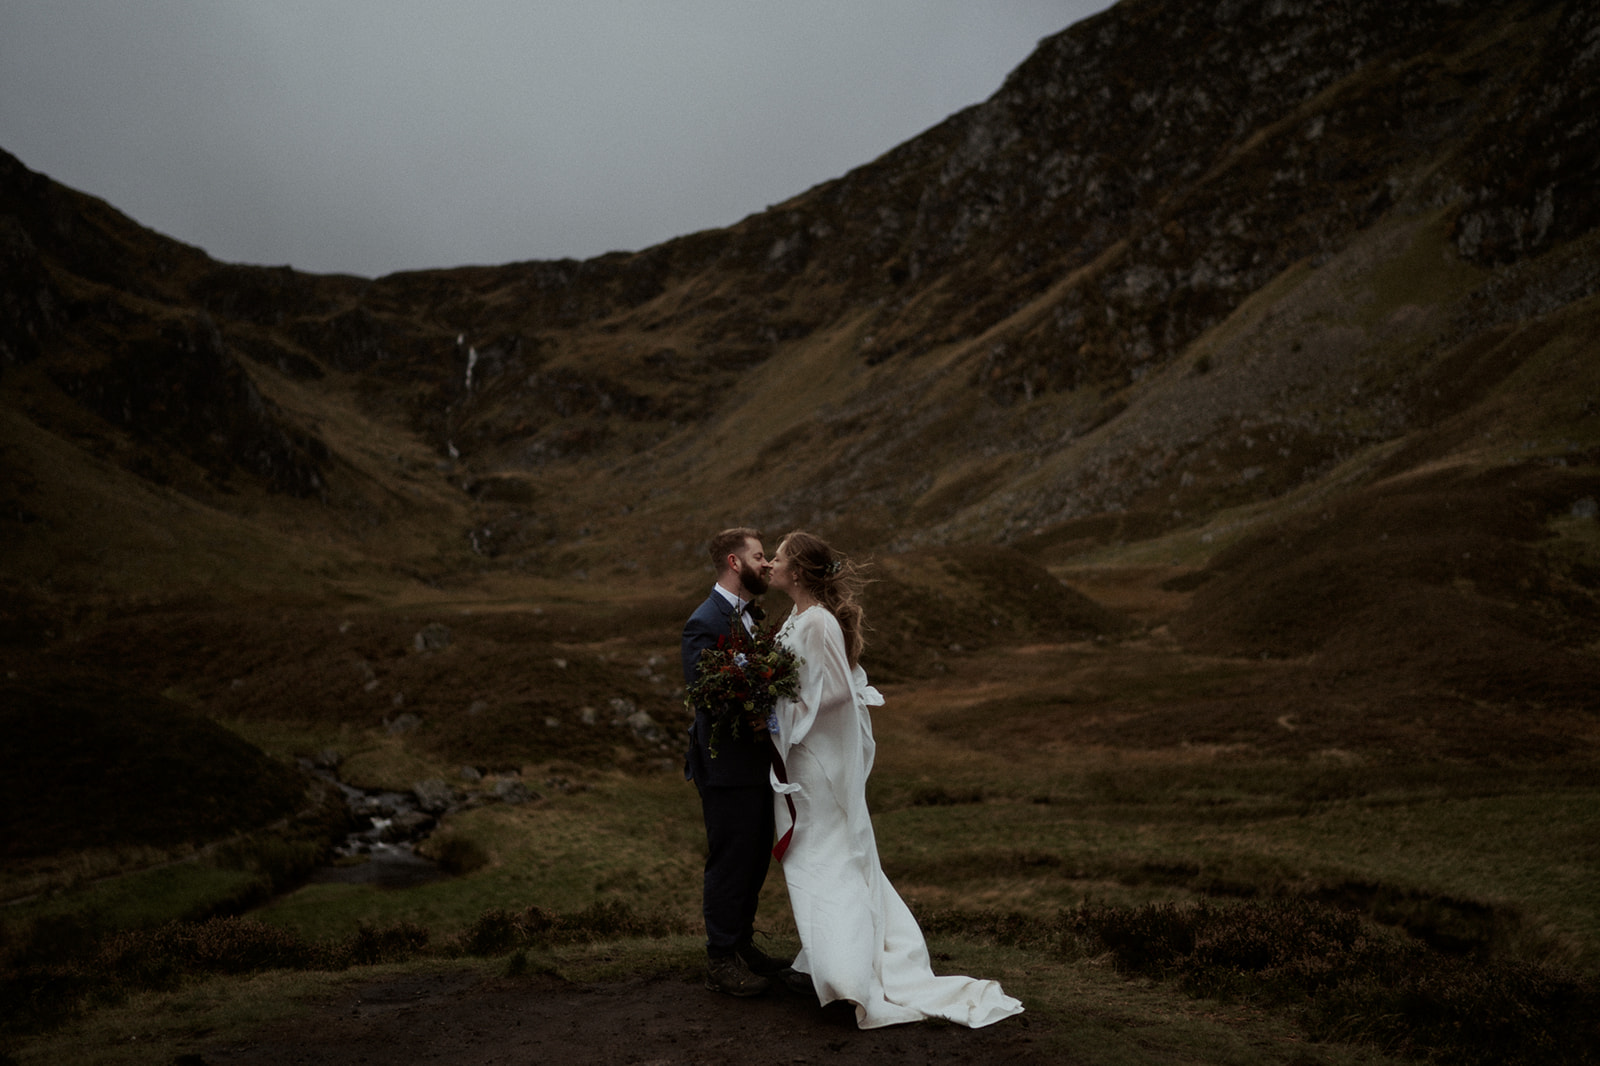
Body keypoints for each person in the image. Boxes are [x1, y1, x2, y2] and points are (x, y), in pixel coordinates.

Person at [765, 531, 1025, 1029]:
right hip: (800, 757)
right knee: (821, 858)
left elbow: (837, 693)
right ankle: (823, 957)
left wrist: (774, 709)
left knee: (825, 859)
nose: (771, 564)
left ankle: (845, 977)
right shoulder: (798, 617)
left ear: (796, 571)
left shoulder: (817, 621)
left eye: (777, 558)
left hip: (814, 761)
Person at [682, 527, 794, 996]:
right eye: (759, 556)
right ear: (734, 563)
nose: (766, 564)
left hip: (754, 764)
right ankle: (720, 959)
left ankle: (743, 944)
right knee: (730, 861)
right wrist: (757, 696)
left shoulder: (750, 616)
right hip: (727, 767)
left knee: (752, 860)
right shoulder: (704, 621)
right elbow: (704, 693)